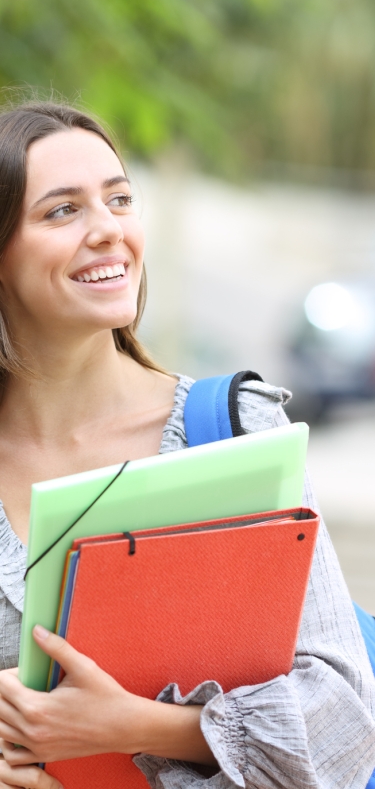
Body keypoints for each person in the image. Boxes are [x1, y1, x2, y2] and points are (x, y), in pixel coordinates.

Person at [0, 99, 373, 789]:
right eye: (62, 211)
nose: (108, 230)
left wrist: (132, 726)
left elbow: (345, 722)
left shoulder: (228, 430)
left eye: (119, 200)